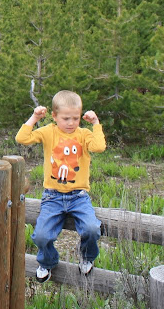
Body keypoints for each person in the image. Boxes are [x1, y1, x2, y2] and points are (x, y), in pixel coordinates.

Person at [15, 90, 106, 282]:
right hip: (53, 196)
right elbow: (22, 138)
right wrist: (34, 117)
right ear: (54, 116)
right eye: (66, 118)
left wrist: (96, 123)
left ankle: (86, 256)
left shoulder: (84, 134)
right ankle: (47, 261)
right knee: (41, 236)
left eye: (76, 118)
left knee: (91, 229)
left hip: (79, 196)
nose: (71, 123)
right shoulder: (49, 131)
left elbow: (99, 147)